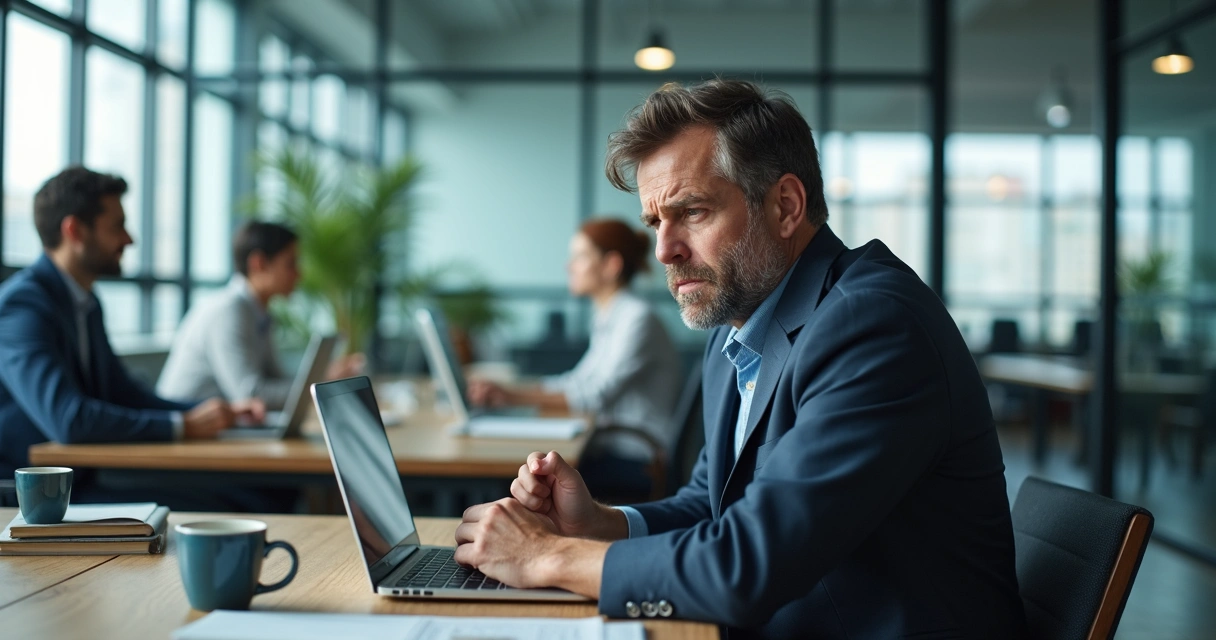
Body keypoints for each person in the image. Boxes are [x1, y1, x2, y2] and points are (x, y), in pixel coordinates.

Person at [452, 80, 1027, 638]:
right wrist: (599, 525)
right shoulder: (737, 328)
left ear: (785, 206)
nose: (664, 250)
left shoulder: (874, 325)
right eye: (655, 222)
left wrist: (546, 556)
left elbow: (749, 565)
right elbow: (713, 507)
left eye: (692, 212)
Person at [0, 167, 261, 482]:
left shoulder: (86, 302)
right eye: (118, 226)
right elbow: (69, 419)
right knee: (234, 496)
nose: (130, 239)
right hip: (32, 496)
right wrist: (182, 425)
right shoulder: (22, 305)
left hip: (80, 479)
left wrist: (209, 412)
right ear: (75, 231)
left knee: (247, 493)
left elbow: (123, 394)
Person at [468, 219, 682, 500]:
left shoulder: (637, 318)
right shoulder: (610, 316)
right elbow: (577, 382)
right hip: (608, 445)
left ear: (611, 265)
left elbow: (592, 396)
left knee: (522, 476)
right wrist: (513, 390)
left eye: (580, 257)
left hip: (638, 456)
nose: (569, 266)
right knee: (524, 470)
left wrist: (512, 396)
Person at [157, 221, 363, 409]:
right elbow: (250, 395)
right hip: (187, 430)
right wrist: (318, 384)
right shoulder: (228, 312)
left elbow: (275, 380)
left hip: (224, 427)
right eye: (291, 263)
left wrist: (323, 377)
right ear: (259, 263)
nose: (299, 274)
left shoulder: (258, 313)